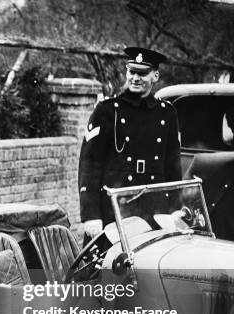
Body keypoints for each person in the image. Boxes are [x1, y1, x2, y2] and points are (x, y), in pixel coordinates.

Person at [78, 46, 182, 240]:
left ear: (155, 76)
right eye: (132, 71)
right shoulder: (107, 111)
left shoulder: (167, 113)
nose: (135, 78)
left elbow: (173, 166)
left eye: (142, 73)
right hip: (115, 212)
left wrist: (174, 208)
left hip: (155, 212)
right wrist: (91, 215)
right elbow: (89, 165)